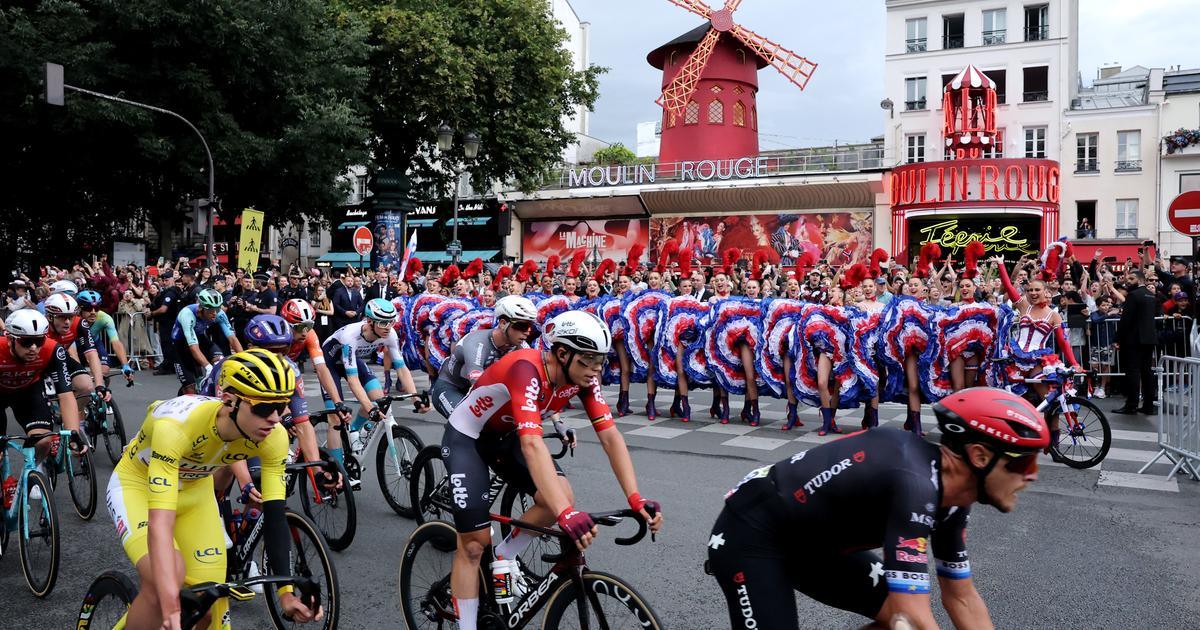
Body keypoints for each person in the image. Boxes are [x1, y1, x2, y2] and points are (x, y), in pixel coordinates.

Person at [708, 387, 1047, 630]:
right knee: (907, 618)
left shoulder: (954, 501)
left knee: (895, 621)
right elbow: (912, 616)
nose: (1032, 475)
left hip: (813, 545)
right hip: (751, 533)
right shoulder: (914, 484)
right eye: (1024, 462)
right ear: (980, 456)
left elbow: (961, 598)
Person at [441, 310, 662, 630]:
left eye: (600, 361)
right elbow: (532, 445)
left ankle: (505, 554)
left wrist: (635, 498)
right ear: (562, 353)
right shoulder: (526, 369)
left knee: (561, 496)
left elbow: (610, 437)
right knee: (474, 545)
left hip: (507, 436)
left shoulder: (584, 379)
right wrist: (565, 515)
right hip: (468, 438)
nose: (596, 369)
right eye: (589, 360)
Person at [106, 350, 321, 630]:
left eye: (281, 406)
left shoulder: (273, 438)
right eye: (263, 408)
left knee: (208, 601)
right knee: (165, 584)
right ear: (230, 400)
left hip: (196, 493)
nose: (275, 418)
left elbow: (275, 515)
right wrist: (170, 603)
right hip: (138, 488)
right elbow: (160, 522)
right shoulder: (177, 427)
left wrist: (286, 594)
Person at [319, 297, 427, 467]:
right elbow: (353, 381)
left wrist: (415, 399)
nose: (388, 327)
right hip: (330, 364)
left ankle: (354, 431)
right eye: (383, 323)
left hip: (352, 359)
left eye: (391, 322)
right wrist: (370, 409)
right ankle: (337, 471)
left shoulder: (390, 334)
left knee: (380, 399)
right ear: (370, 321)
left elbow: (401, 368)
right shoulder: (350, 337)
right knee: (336, 418)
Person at [0, 310, 85, 469]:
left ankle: (32, 473)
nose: (33, 348)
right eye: (26, 342)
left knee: (44, 441)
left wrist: (73, 435)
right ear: (10, 339)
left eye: (39, 341)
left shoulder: (52, 349)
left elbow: (66, 395)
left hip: (27, 392)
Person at [431, 296, 537, 418]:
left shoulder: (520, 346)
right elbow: (478, 382)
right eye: (522, 326)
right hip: (450, 387)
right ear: (503, 324)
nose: (527, 332)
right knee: (466, 420)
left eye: (531, 327)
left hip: (480, 391)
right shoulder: (477, 342)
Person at [45, 293, 112, 418]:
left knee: (87, 387)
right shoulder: (41, 328)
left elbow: (92, 354)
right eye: (62, 317)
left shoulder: (79, 323)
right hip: (39, 362)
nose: (67, 322)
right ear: (49, 317)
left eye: (71, 317)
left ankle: (72, 417)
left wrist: (100, 385)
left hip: (60, 357)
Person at [171, 288, 243, 394]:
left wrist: (244, 358)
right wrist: (208, 367)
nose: (214, 313)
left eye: (217, 309)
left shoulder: (219, 314)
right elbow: (193, 347)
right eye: (210, 310)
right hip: (181, 345)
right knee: (190, 389)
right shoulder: (187, 314)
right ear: (201, 308)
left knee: (220, 362)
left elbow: (232, 338)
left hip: (200, 339)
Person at [1113, 270, 1158, 414]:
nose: (1128, 281)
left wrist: (1117, 338)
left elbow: (1126, 319)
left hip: (1134, 339)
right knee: (1147, 372)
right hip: (1149, 339)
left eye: (1131, 278)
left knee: (1133, 372)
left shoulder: (1133, 295)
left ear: (1140, 280)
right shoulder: (1151, 295)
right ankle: (1149, 406)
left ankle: (1131, 405)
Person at [77, 290, 137, 384]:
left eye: (96, 308)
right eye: (88, 308)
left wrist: (125, 365)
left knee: (104, 370)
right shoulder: (72, 319)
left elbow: (116, 343)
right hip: (75, 346)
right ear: (79, 309)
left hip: (94, 343)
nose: (93, 312)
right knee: (78, 376)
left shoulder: (105, 318)